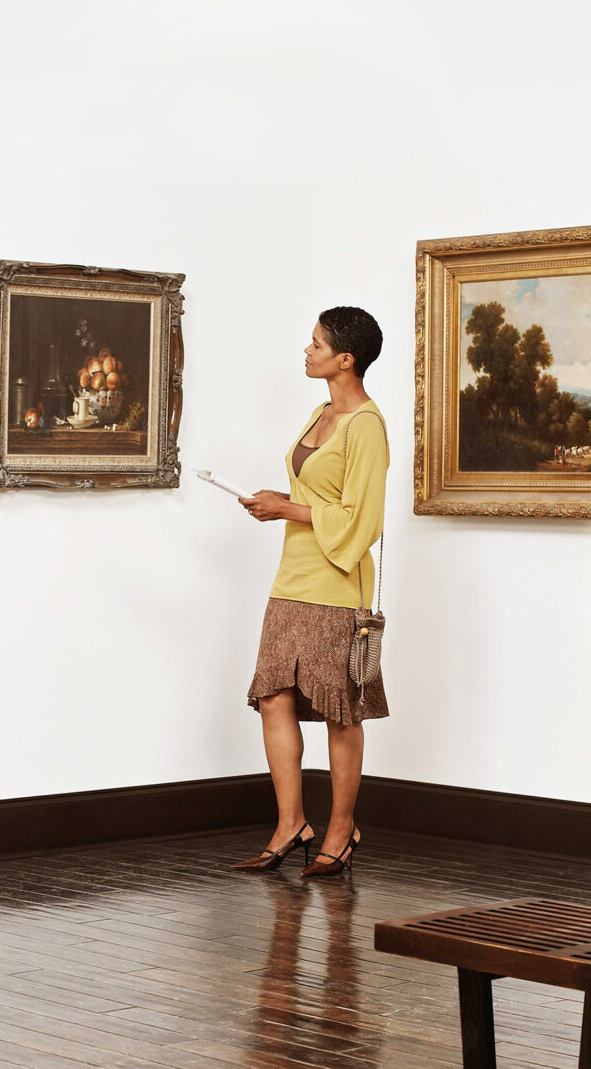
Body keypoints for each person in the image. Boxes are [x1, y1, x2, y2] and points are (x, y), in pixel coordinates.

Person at [230, 306, 390, 879]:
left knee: (340, 711)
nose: (307, 350)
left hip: (337, 585)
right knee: (274, 697)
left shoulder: (365, 425)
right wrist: (282, 503)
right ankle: (291, 824)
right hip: (292, 577)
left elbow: (363, 519)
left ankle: (341, 831)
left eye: (317, 343)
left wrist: (287, 508)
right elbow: (318, 495)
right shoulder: (320, 412)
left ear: (345, 359)